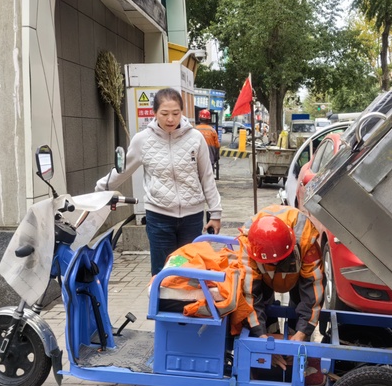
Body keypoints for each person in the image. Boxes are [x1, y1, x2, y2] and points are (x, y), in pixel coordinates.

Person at [96, 87, 222, 275]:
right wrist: (99, 190)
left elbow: (206, 177)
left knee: (191, 271)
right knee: (163, 272)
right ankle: (161, 305)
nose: (170, 119)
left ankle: (186, 306)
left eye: (175, 113)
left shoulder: (195, 138)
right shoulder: (142, 140)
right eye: (164, 114)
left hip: (192, 217)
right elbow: (122, 171)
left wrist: (215, 213)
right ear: (155, 113)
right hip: (159, 218)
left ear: (182, 113)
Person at [238, 204, 323, 342]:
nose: (276, 266)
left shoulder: (306, 240)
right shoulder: (249, 246)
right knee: (263, 302)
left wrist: (302, 332)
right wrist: (261, 337)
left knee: (300, 302)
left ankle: (294, 336)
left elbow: (313, 291)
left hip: (297, 274)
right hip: (263, 275)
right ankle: (271, 332)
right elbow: (250, 295)